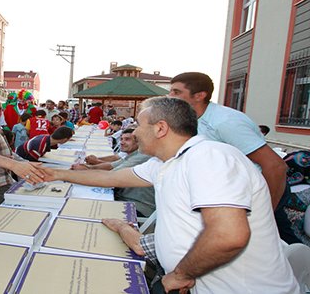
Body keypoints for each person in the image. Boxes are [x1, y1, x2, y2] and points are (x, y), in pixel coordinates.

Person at [41, 97, 300, 293]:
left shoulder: (210, 157)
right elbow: (108, 177)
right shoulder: (165, 162)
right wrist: (57, 175)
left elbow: (228, 236)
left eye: (139, 125)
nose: (133, 131)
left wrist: (179, 274)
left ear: (160, 128)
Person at [168, 72, 297, 243]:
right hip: (233, 193)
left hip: (259, 192)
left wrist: (265, 211)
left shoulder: (225, 122)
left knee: (279, 241)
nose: (170, 97)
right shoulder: (194, 119)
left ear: (199, 95)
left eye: (176, 92)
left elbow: (276, 166)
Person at [71, 128, 155, 217]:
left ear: (138, 142)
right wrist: (89, 167)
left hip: (136, 206)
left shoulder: (142, 156)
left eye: (127, 139)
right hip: (124, 197)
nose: (122, 142)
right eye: (121, 139)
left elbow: (112, 175)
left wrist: (84, 171)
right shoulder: (134, 154)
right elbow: (112, 165)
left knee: (86, 210)